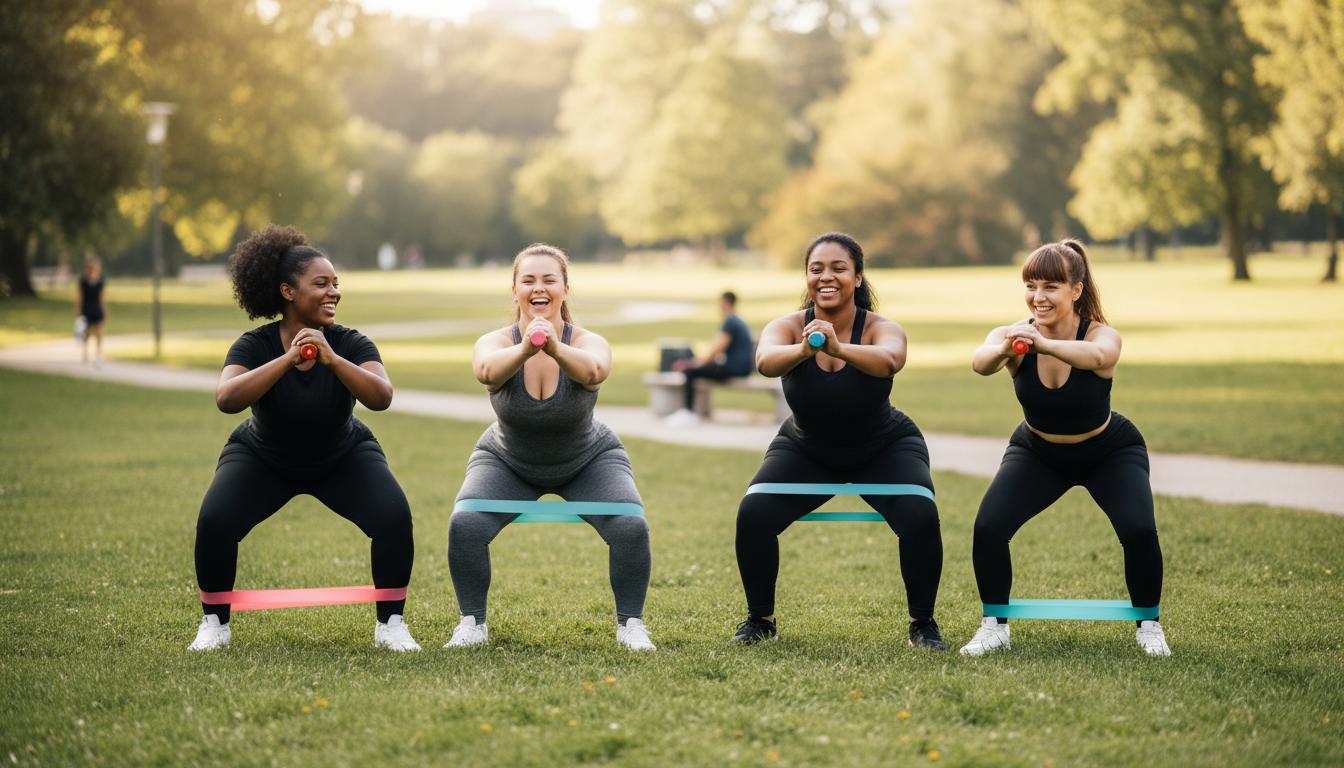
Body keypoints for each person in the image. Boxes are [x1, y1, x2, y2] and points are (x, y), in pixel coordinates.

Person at [188, 224, 418, 652]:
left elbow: (382, 397)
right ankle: (214, 624)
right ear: (288, 293)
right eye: (322, 284)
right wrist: (289, 357)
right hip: (263, 456)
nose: (334, 292)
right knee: (215, 522)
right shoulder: (254, 345)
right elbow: (227, 398)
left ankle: (391, 625)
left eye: (336, 284)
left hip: (342, 454)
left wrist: (331, 359)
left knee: (393, 517)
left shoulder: (350, 342)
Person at [730, 232, 946, 649]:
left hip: (884, 446)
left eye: (838, 268)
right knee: (754, 512)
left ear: (858, 277)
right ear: (806, 278)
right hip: (806, 447)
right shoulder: (788, 327)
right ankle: (761, 619)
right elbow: (765, 361)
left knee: (919, 514)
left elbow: (890, 360)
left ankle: (923, 624)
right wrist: (806, 350)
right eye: (816, 269)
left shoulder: (881, 328)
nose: (826, 277)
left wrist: (838, 346)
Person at [959, 239, 1169, 657]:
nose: (1039, 297)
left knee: (1139, 530)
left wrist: (1044, 344)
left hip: (1109, 450)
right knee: (989, 528)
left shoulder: (1100, 334)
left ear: (1076, 290)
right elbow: (980, 362)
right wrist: (1007, 346)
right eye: (1031, 285)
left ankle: (1148, 624)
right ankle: (994, 625)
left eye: (1051, 286)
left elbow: (1097, 356)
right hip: (1038, 452)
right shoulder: (1012, 334)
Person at [446, 243, 655, 651]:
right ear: (514, 290)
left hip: (587, 458)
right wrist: (527, 345)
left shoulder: (588, 341)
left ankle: (631, 625)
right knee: (465, 524)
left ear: (564, 288)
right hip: (507, 459)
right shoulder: (495, 342)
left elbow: (595, 371)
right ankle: (472, 623)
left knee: (631, 526)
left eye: (548, 280)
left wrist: (553, 345)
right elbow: (485, 372)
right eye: (528, 280)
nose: (538, 288)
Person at [664, 291, 755, 425]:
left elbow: (716, 351)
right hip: (743, 368)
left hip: (734, 368)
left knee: (689, 371)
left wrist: (696, 364)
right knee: (697, 369)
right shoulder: (740, 320)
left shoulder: (730, 321)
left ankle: (688, 413)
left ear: (725, 303)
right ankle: (693, 411)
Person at [76, 258, 106, 367]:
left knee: (99, 332)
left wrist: (104, 310)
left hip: (97, 308)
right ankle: (85, 352)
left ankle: (98, 354)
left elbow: (102, 297)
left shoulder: (101, 281)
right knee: (87, 332)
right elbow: (80, 297)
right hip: (87, 309)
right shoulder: (83, 281)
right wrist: (78, 311)